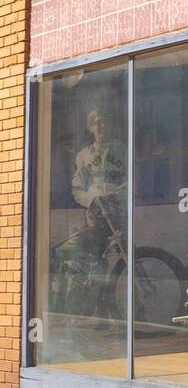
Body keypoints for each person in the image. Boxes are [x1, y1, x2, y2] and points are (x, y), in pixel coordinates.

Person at [57, 109, 127, 312]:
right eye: (96, 123)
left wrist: (119, 194)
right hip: (96, 213)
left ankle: (127, 305)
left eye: (104, 123)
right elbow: (78, 188)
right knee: (98, 261)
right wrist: (93, 200)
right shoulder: (83, 156)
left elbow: (130, 177)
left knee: (126, 253)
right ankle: (100, 310)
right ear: (90, 128)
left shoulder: (120, 150)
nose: (100, 127)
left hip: (117, 209)